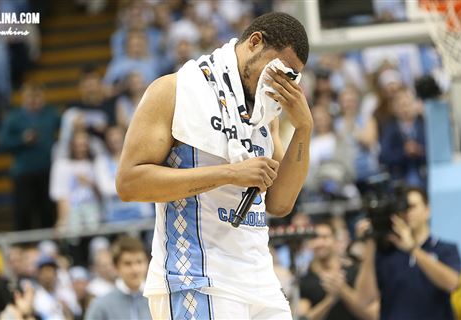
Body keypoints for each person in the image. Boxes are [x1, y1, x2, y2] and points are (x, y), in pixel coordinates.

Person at [116, 12, 312, 319]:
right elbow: (129, 183)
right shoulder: (174, 90)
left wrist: (304, 128)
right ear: (255, 43)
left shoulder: (266, 114)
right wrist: (229, 174)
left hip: (260, 279)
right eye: (277, 69)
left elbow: (280, 202)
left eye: (290, 77)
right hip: (195, 276)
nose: (279, 82)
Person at [355, 187, 461, 320]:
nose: (407, 212)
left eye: (411, 206)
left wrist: (413, 249)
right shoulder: (385, 253)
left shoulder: (445, 249)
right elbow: (363, 300)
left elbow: (452, 283)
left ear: (427, 210)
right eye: (402, 208)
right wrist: (370, 245)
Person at [0, 83, 59, 230]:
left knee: (47, 212)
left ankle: (49, 246)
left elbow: (65, 131)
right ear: (23, 98)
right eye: (30, 97)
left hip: (48, 171)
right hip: (23, 172)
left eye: (37, 96)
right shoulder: (13, 118)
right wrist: (22, 140)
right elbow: (2, 143)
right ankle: (23, 248)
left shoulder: (51, 114)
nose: (33, 100)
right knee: (23, 212)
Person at [298, 222, 378, 320]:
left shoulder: (355, 272)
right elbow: (303, 318)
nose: (319, 243)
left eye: (325, 237)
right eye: (314, 238)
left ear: (335, 241)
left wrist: (342, 290)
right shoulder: (305, 281)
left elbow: (373, 315)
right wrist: (330, 300)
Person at [85, 236, 152, 320]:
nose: (135, 269)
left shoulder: (157, 300)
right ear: (116, 267)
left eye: (139, 262)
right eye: (127, 264)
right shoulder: (101, 306)